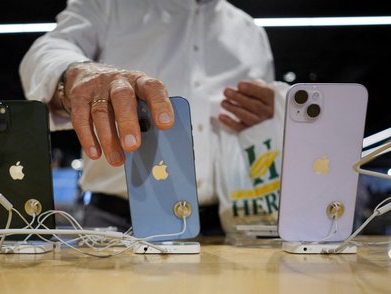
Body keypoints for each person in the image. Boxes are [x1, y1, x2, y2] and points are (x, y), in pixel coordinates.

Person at [19, 0, 285, 235]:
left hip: (225, 221)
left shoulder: (250, 30)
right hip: (118, 221)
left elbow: (263, 132)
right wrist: (75, 74)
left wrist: (276, 114)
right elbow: (49, 48)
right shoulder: (111, 4)